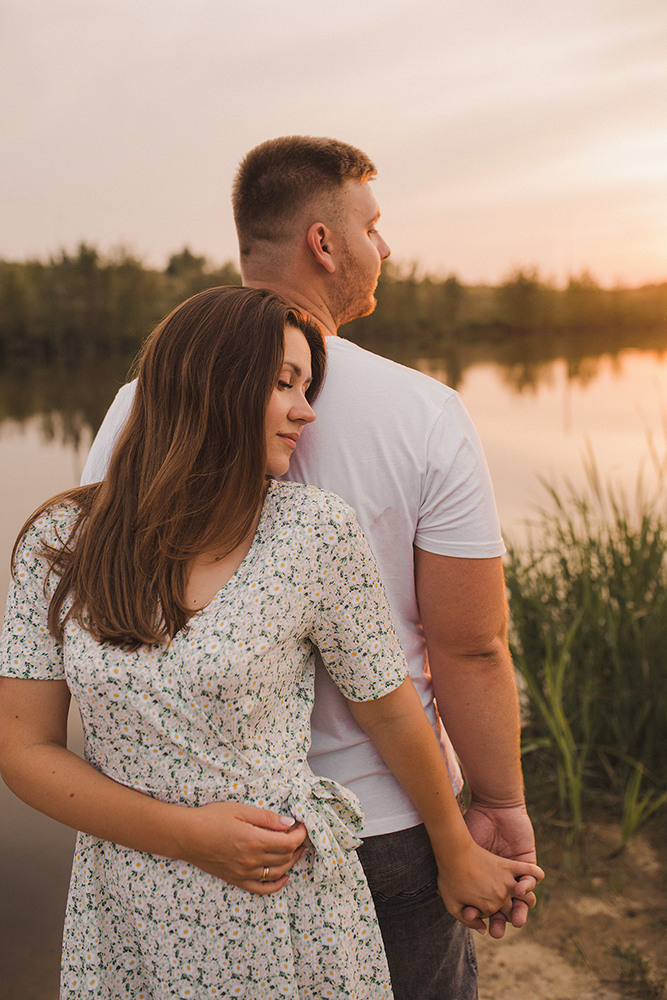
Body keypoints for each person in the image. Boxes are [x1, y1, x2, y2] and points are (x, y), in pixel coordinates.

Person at [80, 137, 541, 999]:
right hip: (384, 823)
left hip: (195, 835)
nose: (387, 247)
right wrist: (496, 807)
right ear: (323, 243)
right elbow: (469, 646)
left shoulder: (134, 411)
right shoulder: (422, 415)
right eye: (374, 224)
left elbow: (110, 633)